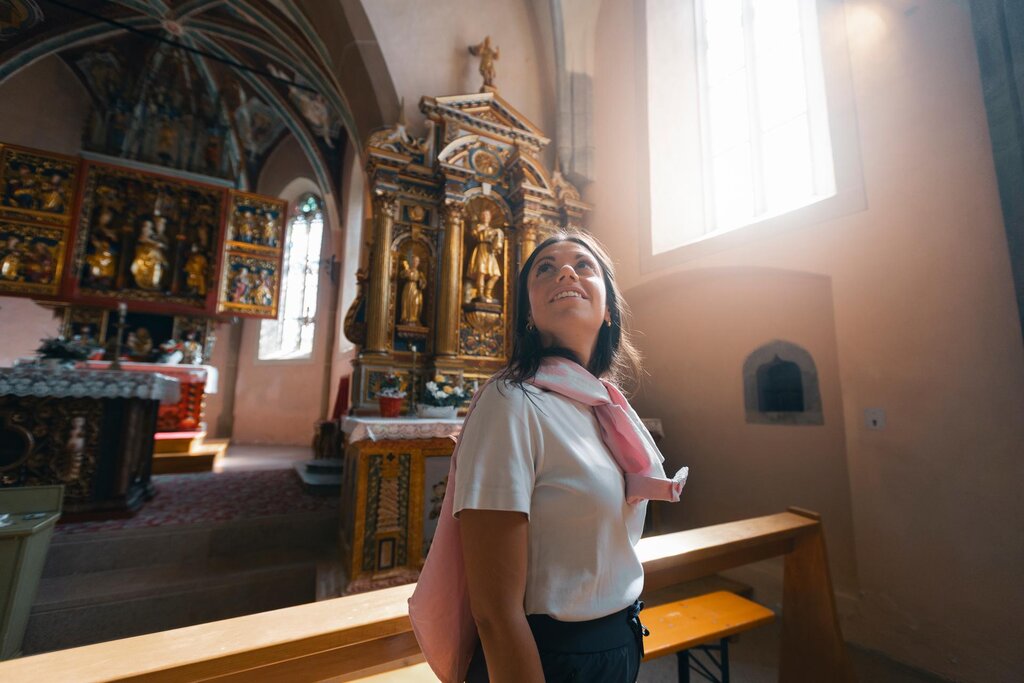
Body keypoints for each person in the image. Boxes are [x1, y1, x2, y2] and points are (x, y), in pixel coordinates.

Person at [410, 232, 688, 682]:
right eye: (545, 267)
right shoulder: (512, 403)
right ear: (528, 315)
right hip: (547, 660)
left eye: (584, 265)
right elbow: (495, 613)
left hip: (617, 644)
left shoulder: (604, 407)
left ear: (609, 310)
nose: (566, 271)